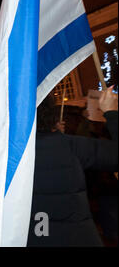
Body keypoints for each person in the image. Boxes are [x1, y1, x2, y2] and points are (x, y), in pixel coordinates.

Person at [27, 86, 118, 247]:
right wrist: (111, 113)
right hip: (77, 238)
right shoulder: (71, 146)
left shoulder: (8, 155)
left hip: (36, 237)